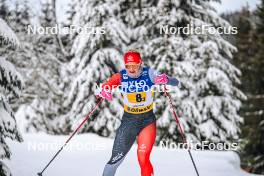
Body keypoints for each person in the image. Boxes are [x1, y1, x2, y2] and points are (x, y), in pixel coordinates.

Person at [95, 50, 179, 176]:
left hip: (147, 121)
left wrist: (166, 79)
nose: (132, 69)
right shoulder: (121, 76)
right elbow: (102, 88)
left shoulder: (149, 74)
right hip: (129, 121)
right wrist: (103, 91)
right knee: (115, 159)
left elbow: (175, 82)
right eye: (128, 66)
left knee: (143, 157)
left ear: (140, 64)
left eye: (134, 65)